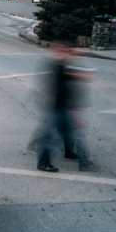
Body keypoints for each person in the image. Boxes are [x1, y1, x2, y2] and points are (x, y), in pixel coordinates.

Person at [37, 43, 96, 173]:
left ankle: (78, 158)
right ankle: (43, 163)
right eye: (64, 52)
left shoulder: (63, 66)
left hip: (63, 108)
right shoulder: (57, 67)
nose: (68, 55)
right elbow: (75, 76)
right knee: (52, 138)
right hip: (55, 108)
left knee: (69, 133)